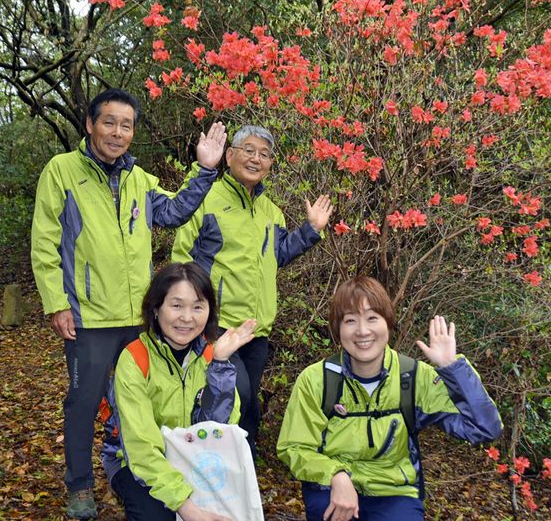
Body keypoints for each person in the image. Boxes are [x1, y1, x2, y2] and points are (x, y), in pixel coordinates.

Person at [30, 88, 227, 519]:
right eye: (109, 122)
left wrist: (206, 170)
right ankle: (80, 485)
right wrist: (56, 302)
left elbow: (174, 213)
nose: (118, 133)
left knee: (140, 401)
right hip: (89, 317)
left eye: (126, 125)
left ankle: (141, 472)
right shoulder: (62, 172)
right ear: (89, 123)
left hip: (138, 317)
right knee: (84, 401)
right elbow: (45, 241)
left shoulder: (139, 179)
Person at [276, 276, 503, 521]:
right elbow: (294, 447)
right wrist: (336, 474)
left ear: (388, 322)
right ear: (338, 329)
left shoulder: (413, 377)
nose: (363, 331)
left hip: (394, 492)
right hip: (331, 490)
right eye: (350, 320)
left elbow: (485, 429)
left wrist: (452, 368)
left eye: (373, 318)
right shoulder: (317, 380)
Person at [171, 124, 333, 455]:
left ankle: (242, 466)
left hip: (256, 328)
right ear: (229, 156)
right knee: (236, 395)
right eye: (249, 150)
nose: (256, 159)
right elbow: (181, 259)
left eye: (264, 154)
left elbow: (278, 255)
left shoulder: (270, 211)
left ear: (271, 164)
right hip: (216, 324)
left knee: (245, 396)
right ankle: (222, 460)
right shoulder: (206, 199)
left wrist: (311, 230)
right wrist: (189, 312)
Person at [101, 262, 257, 521]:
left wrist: (219, 366)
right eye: (176, 305)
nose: (187, 317)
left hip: (197, 457)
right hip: (135, 462)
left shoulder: (211, 354)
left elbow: (220, 431)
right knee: (156, 515)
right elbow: (141, 449)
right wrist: (186, 506)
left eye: (198, 306)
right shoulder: (135, 359)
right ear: (155, 308)